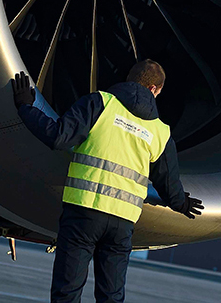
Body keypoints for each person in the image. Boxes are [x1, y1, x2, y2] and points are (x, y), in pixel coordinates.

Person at [12, 60, 203, 303]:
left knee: (67, 292)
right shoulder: (160, 132)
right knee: (111, 297)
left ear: (129, 78)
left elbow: (58, 136)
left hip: (84, 213)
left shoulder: (100, 103)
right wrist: (182, 204)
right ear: (155, 89)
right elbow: (168, 184)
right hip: (121, 223)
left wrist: (25, 107)